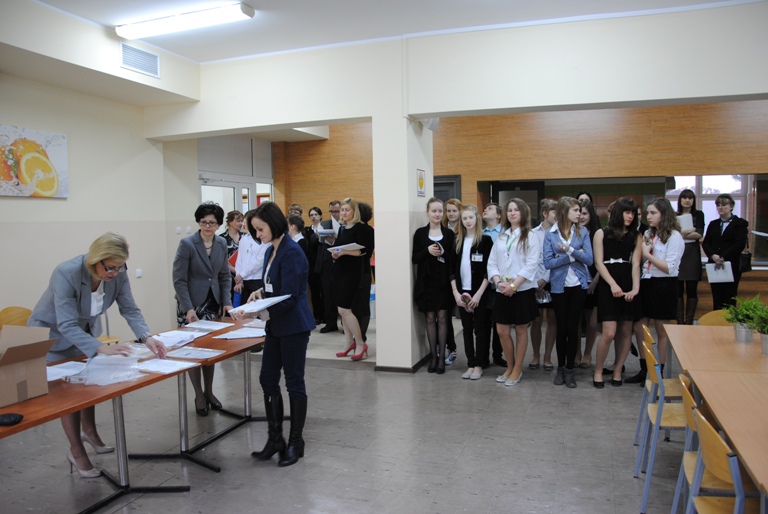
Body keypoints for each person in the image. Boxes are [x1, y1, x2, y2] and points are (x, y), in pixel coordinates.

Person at [28, 233, 167, 478]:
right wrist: (99, 347)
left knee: (87, 385)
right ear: (95, 260)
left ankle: (90, 433)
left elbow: (130, 309)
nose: (115, 273)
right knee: (68, 395)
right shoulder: (66, 273)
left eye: (120, 267)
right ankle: (76, 451)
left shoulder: (119, 273)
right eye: (110, 267)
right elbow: (66, 323)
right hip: (53, 335)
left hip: (85, 332)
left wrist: (147, 337)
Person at [245, 202, 315, 467]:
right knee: (267, 378)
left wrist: (258, 312)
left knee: (294, 382)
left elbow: (290, 296)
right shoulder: (270, 251)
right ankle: (275, 438)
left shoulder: (292, 252)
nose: (258, 235)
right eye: (255, 230)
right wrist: (259, 294)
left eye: (260, 229)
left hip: (294, 326)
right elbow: (274, 287)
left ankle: (296, 442)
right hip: (275, 325)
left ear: (274, 225)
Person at [173, 202, 235, 416]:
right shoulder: (187, 244)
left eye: (212, 223)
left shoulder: (221, 243)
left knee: (210, 350)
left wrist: (227, 301)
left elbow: (224, 275)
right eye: (203, 222)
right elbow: (179, 280)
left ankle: (209, 391)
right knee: (192, 351)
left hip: (213, 303)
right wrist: (188, 308)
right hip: (191, 305)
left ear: (218, 225)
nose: (207, 226)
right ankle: (198, 394)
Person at [487, 198, 540, 387]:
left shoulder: (531, 236)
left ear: (523, 212)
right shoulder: (502, 237)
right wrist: (498, 282)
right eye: (509, 210)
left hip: (522, 290)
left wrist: (514, 286)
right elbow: (492, 263)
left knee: (520, 329)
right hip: (502, 289)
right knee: (502, 330)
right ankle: (509, 366)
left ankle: (517, 368)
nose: (512, 213)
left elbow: (531, 265)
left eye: (516, 210)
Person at [543, 197, 593, 388]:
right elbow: (548, 262)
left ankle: (570, 369)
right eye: (575, 210)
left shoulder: (583, 231)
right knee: (561, 328)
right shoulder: (551, 234)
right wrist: (572, 257)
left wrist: (569, 250)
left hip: (579, 286)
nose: (579, 214)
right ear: (564, 212)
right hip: (558, 287)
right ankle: (560, 368)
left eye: (580, 211)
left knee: (573, 329)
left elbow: (589, 259)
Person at [631, 198, 684, 381]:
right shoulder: (648, 233)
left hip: (665, 284)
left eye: (653, 213)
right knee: (640, 327)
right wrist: (642, 254)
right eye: (648, 213)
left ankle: (658, 372)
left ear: (664, 214)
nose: (649, 216)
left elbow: (669, 267)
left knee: (661, 330)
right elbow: (642, 261)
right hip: (647, 282)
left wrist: (647, 254)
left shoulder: (674, 236)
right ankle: (644, 368)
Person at [592, 197, 642, 388]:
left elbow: (636, 264)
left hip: (627, 281)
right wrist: (612, 284)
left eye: (633, 213)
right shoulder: (601, 233)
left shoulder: (636, 235)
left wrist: (635, 288)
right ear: (618, 213)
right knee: (609, 332)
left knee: (626, 331)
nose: (630, 216)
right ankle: (598, 371)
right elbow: (599, 263)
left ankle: (618, 370)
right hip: (608, 283)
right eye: (627, 212)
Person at [413, 197, 455, 374]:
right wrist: (427, 251)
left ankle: (442, 357)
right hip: (426, 283)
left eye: (440, 211)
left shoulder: (449, 234)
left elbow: (453, 260)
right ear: (427, 212)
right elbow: (415, 258)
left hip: (444, 283)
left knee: (443, 317)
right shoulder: (420, 233)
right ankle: (433, 356)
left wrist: (443, 253)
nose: (437, 214)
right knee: (430, 318)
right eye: (434, 211)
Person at [449, 205, 493, 380]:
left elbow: (489, 270)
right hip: (462, 292)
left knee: (480, 329)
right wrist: (456, 293)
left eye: (471, 217)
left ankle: (479, 364)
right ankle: (471, 363)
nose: (468, 221)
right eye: (465, 218)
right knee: (466, 329)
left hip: (479, 292)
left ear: (477, 219)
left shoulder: (485, 241)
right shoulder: (457, 241)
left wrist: (479, 294)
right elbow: (451, 269)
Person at [332, 198, 374, 360]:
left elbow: (365, 251)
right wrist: (336, 253)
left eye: (347, 210)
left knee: (345, 310)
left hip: (353, 273)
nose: (343, 213)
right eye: (342, 210)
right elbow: (337, 247)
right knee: (341, 310)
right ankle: (349, 342)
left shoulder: (363, 229)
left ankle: (360, 343)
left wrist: (344, 252)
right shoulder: (343, 228)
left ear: (354, 211)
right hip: (339, 271)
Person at [702, 193, 749, 311]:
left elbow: (739, 244)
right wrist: (713, 256)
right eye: (718, 205)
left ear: (731, 206)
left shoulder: (740, 223)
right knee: (716, 296)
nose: (720, 207)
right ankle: (716, 320)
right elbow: (706, 243)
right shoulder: (713, 224)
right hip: (714, 264)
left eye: (724, 205)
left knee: (729, 296)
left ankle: (728, 321)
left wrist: (722, 256)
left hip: (731, 263)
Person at [530, 199, 557, 371]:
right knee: (536, 320)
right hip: (534, 281)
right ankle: (535, 355)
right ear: (545, 213)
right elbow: (529, 258)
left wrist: (545, 279)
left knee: (552, 320)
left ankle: (548, 356)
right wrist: (535, 280)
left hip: (553, 280)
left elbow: (558, 259)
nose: (558, 216)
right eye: (555, 212)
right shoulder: (533, 233)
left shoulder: (560, 233)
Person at [575, 199, 602, 368]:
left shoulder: (598, 234)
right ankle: (577, 353)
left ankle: (587, 354)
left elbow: (602, 261)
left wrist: (595, 281)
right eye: (579, 213)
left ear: (591, 215)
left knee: (591, 322)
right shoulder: (571, 232)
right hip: (575, 282)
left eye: (585, 213)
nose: (581, 216)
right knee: (576, 320)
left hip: (594, 282)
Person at [481, 202, 507, 369]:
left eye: (490, 209)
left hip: (500, 283)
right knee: (484, 322)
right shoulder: (480, 233)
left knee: (499, 321)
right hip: (483, 284)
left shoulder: (504, 234)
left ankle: (498, 355)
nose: (485, 210)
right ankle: (483, 357)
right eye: (485, 208)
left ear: (498, 215)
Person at [675, 189, 705, 324]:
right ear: (680, 200)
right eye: (684, 198)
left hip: (692, 253)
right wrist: (688, 232)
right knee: (678, 290)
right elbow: (671, 234)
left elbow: (699, 234)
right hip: (678, 252)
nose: (687, 200)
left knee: (692, 289)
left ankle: (689, 322)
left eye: (690, 198)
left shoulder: (699, 214)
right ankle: (680, 322)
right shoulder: (674, 215)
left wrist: (680, 233)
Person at [235, 209, 269, 318]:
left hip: (257, 279)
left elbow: (259, 261)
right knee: (244, 311)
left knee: (259, 311)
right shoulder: (244, 238)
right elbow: (239, 259)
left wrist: (243, 274)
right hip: (244, 280)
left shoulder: (263, 238)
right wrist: (239, 278)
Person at [315, 200, 342, 333]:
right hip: (327, 262)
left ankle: (346, 324)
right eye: (331, 211)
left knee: (342, 294)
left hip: (342, 262)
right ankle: (330, 323)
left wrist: (335, 241)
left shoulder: (346, 224)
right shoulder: (325, 224)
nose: (334, 214)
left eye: (336, 211)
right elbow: (319, 240)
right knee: (327, 294)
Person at [441, 198, 463, 365]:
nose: (451, 213)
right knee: (445, 316)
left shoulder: (465, 229)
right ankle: (451, 348)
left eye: (454, 210)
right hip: (445, 277)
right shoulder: (441, 229)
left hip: (461, 277)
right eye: (448, 211)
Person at [351, 202, 375, 344]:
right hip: (350, 272)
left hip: (362, 271)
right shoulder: (349, 228)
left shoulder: (367, 230)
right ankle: (355, 337)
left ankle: (361, 337)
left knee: (362, 305)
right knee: (353, 306)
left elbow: (367, 252)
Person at [222, 210, 245, 304]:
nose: (241, 223)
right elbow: (220, 260)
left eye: (242, 221)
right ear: (230, 222)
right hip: (228, 276)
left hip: (244, 275)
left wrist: (240, 272)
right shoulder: (221, 238)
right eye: (238, 221)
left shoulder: (245, 237)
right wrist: (235, 270)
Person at [307, 206, 325, 324]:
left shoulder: (325, 228)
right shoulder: (307, 231)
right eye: (311, 215)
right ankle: (317, 315)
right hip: (312, 264)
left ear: (320, 216)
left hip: (323, 264)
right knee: (314, 291)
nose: (314, 217)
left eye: (316, 214)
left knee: (325, 291)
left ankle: (326, 315)